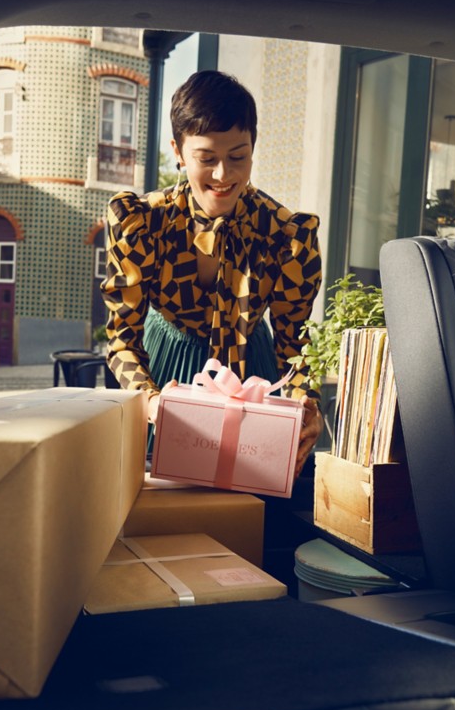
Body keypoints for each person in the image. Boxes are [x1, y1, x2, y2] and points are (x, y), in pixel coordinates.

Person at [100, 70, 323, 480]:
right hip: (161, 378)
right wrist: (151, 404)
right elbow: (120, 340)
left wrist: (307, 402)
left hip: (252, 379)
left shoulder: (287, 235)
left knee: (251, 517)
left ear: (253, 149)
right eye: (207, 158)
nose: (223, 175)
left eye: (238, 156)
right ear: (178, 152)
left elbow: (294, 347)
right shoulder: (141, 224)